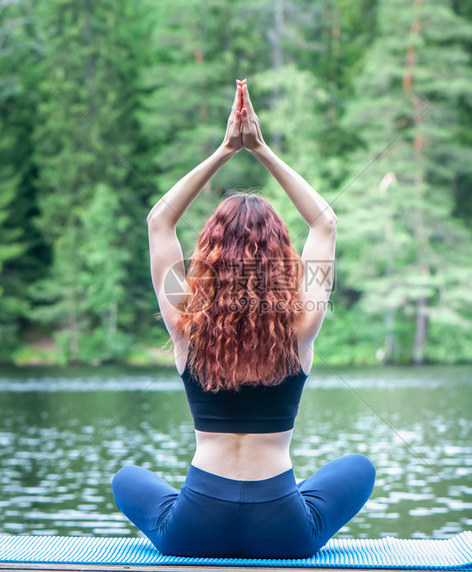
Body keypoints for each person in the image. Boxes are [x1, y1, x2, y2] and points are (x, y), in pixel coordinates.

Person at [111, 78, 375, 559]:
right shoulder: (301, 325)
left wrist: (226, 149)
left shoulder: (184, 324)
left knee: (126, 479)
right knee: (360, 467)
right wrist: (262, 148)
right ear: (279, 259)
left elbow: (159, 221)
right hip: (284, 533)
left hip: (193, 529)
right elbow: (325, 223)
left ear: (209, 256)